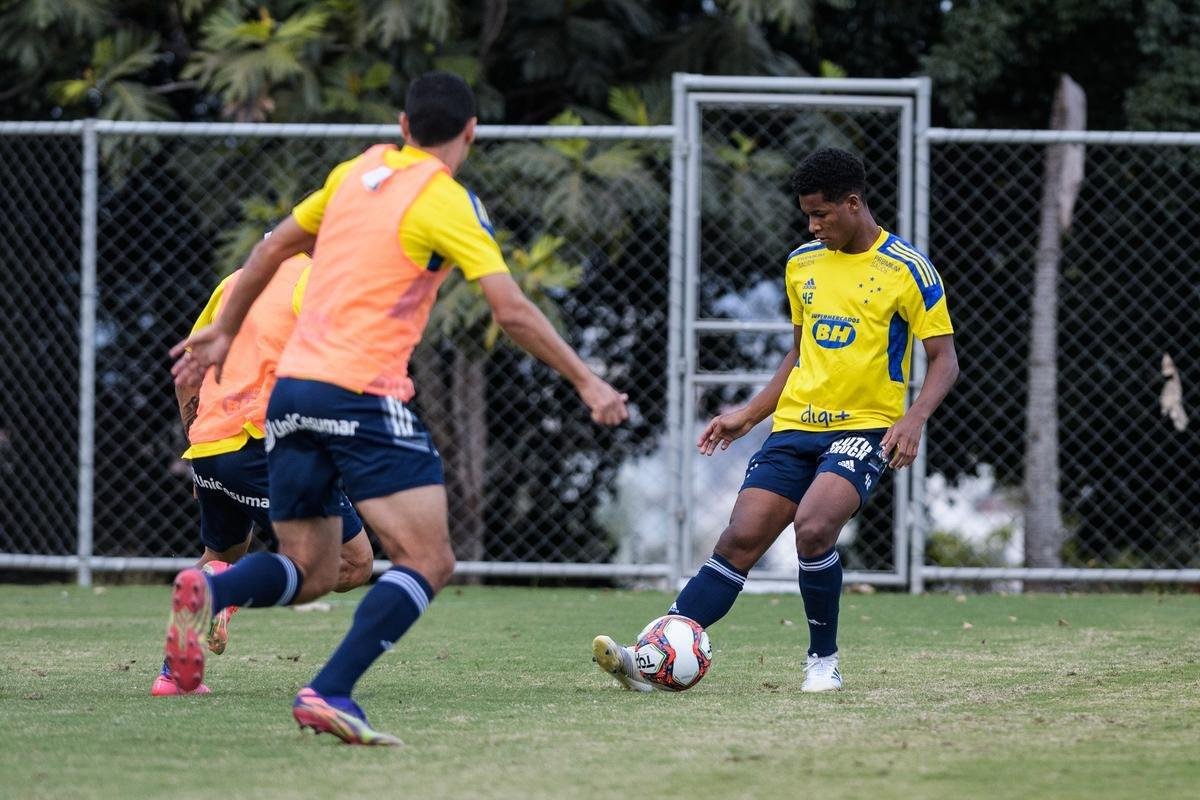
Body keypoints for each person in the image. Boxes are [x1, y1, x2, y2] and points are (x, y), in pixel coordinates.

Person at [167, 71, 629, 744]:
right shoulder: (449, 202)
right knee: (429, 559)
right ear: (470, 134)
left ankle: (216, 589)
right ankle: (328, 691)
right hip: (359, 391)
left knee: (317, 570)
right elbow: (511, 310)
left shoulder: (355, 173)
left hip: (289, 395)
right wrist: (587, 380)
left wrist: (224, 326)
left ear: (403, 127)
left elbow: (269, 249)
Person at [593, 147, 958, 693]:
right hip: (794, 427)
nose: (812, 225)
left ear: (853, 203)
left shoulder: (907, 269)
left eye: (821, 214)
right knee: (740, 538)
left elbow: (944, 360)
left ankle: (822, 662)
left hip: (864, 428)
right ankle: (652, 655)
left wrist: (914, 418)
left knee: (814, 527)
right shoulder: (802, 263)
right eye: (807, 215)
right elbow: (798, 354)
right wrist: (748, 415)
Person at [153, 252, 374, 697]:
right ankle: (223, 591)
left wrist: (200, 453)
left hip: (212, 445)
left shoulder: (235, 280)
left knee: (222, 554)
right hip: (265, 444)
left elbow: (185, 379)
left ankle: (173, 676)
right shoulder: (319, 278)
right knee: (352, 563)